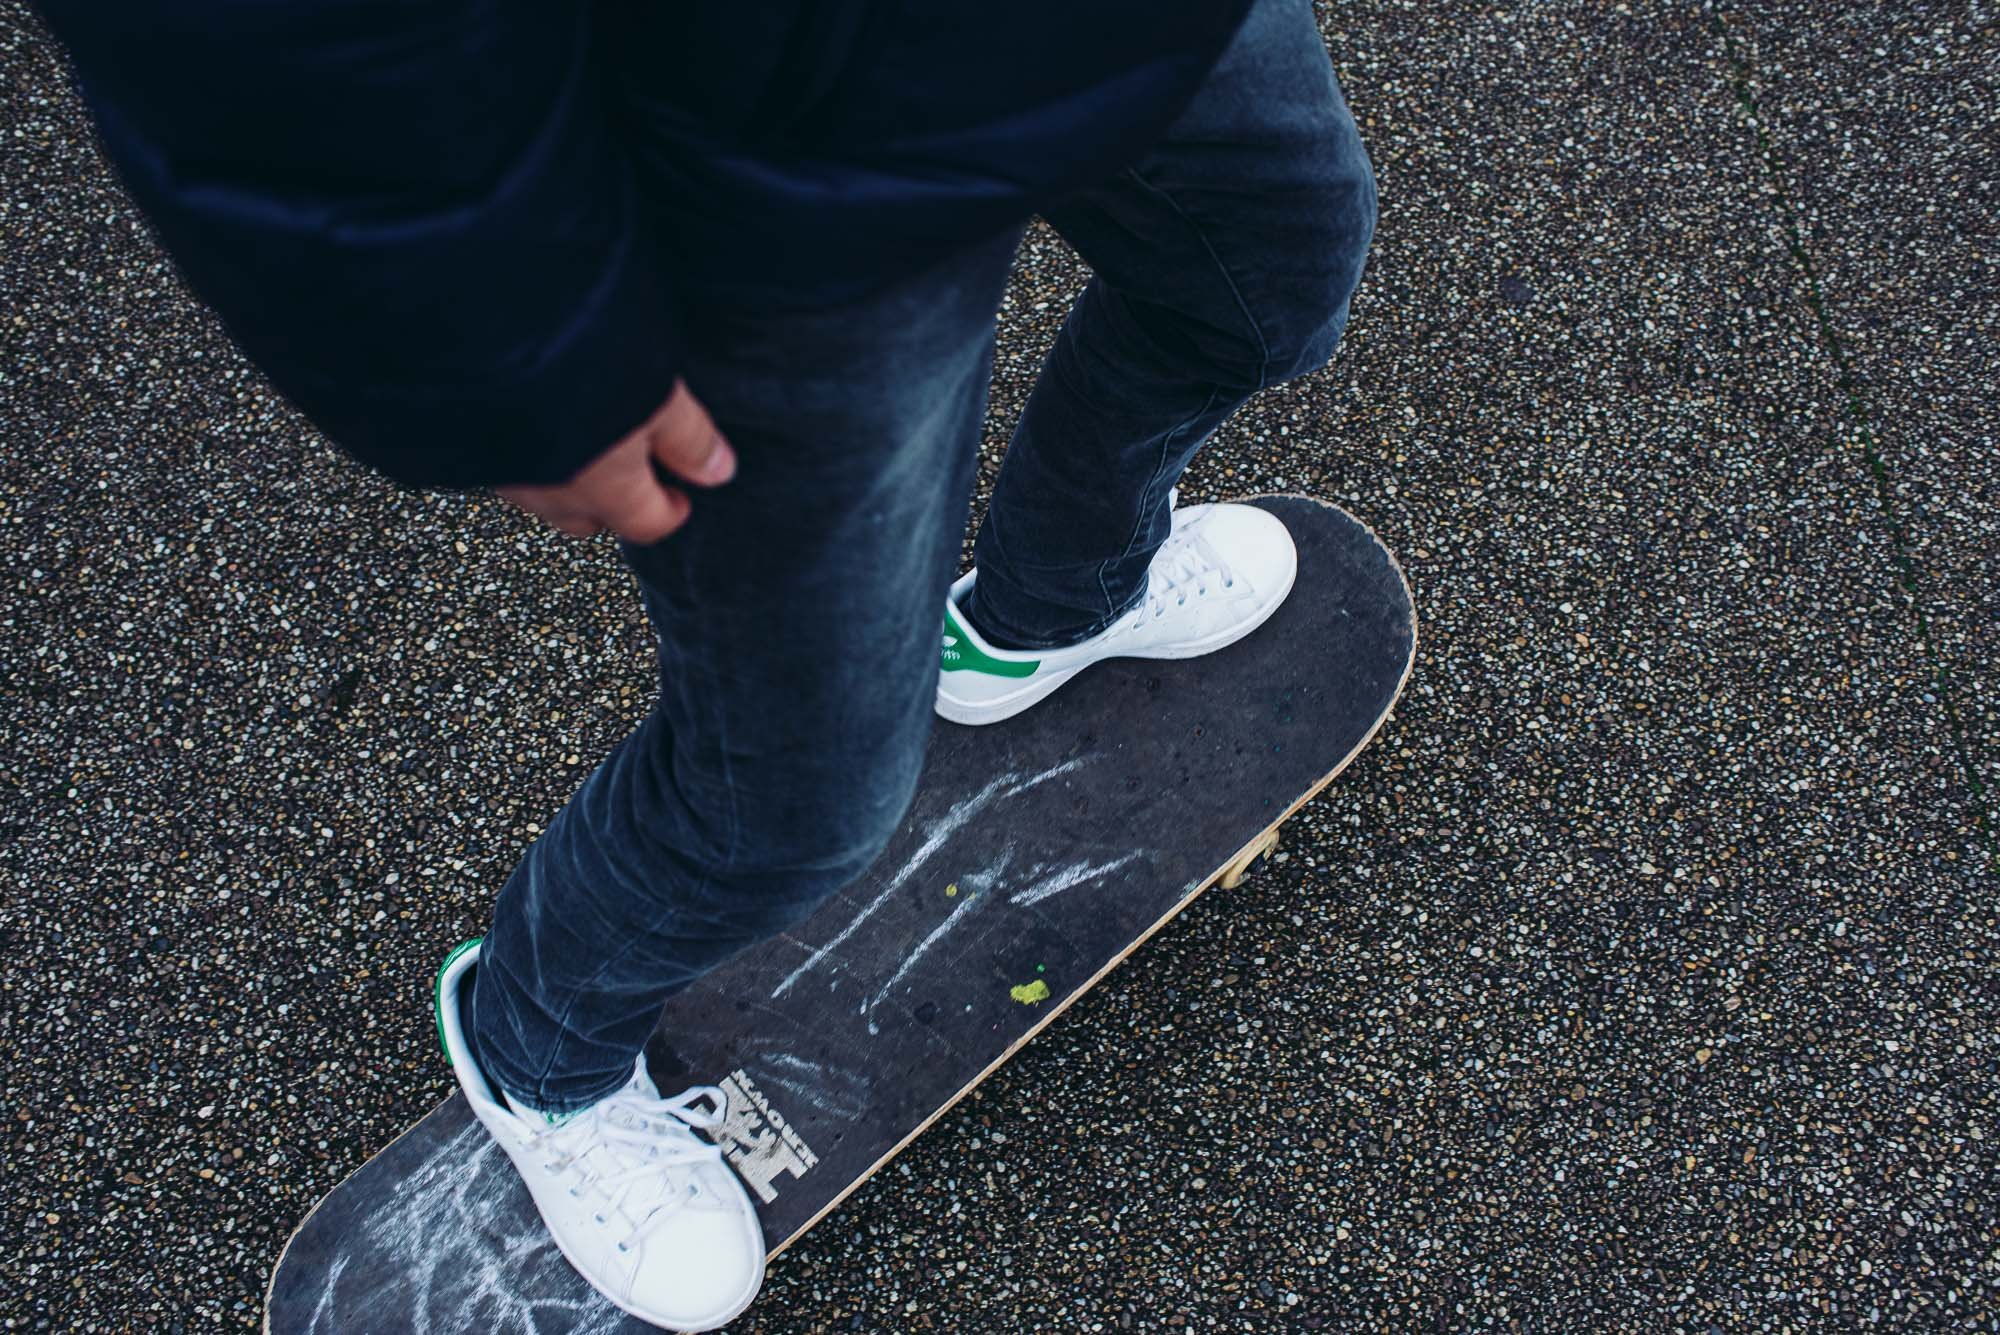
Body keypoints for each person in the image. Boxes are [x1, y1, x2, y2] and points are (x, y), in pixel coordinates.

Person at [40, 0, 1375, 1326]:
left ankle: (1053, 602)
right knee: (795, 794)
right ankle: (536, 1048)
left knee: (1265, 280)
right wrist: (493, 323)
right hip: (768, 138)